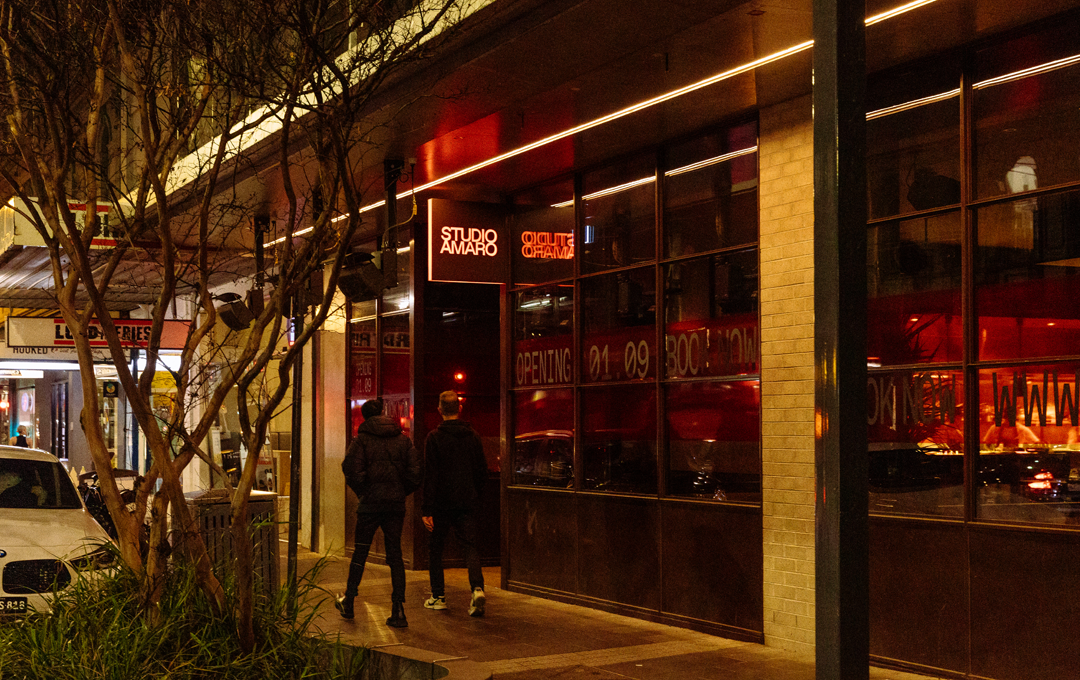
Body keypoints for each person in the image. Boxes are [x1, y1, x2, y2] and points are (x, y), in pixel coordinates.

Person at [337, 398, 421, 627]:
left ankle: (350, 601)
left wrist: (365, 490)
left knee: (360, 552)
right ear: (383, 414)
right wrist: (399, 491)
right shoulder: (403, 440)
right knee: (395, 555)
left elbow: (350, 469)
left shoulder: (361, 441)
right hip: (395, 505)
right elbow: (415, 472)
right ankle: (398, 608)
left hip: (370, 504)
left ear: (365, 417)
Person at [422, 390, 489, 617]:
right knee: (470, 547)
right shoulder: (473, 436)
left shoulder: (434, 438)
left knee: (435, 549)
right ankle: (477, 589)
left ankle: (438, 596)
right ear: (460, 408)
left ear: (439, 410)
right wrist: (475, 494)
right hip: (466, 501)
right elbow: (482, 471)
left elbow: (430, 475)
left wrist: (427, 509)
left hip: (441, 503)